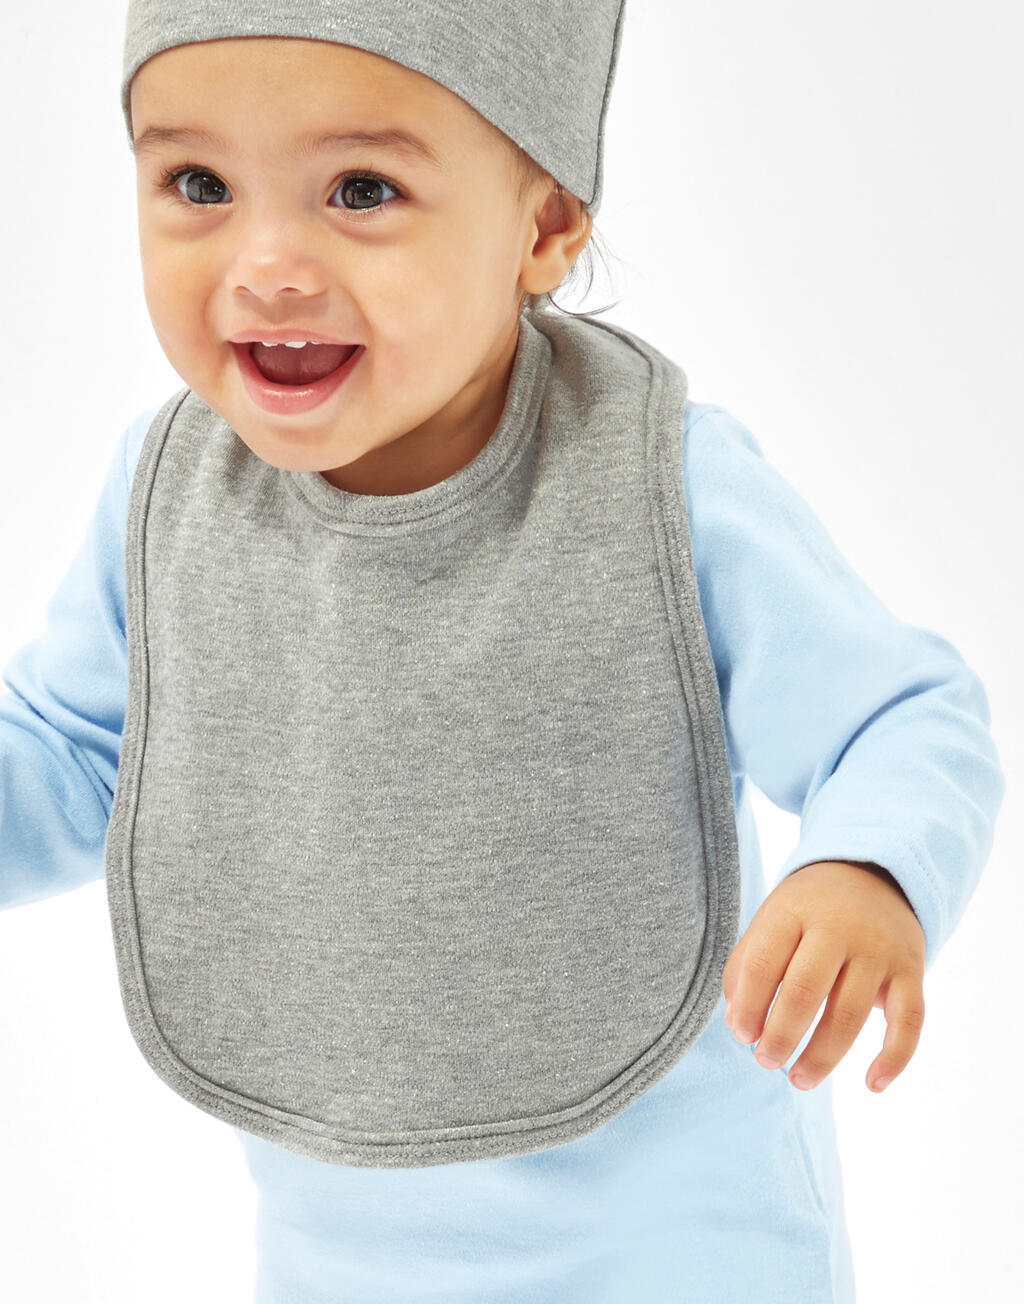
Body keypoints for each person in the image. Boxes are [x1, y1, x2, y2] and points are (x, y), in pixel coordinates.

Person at [0, 2, 1005, 1300]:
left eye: (361, 190)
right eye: (199, 184)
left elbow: (901, 715)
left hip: (677, 1247)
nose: (266, 264)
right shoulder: (172, 498)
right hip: (341, 1251)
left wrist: (867, 869)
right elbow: (79, 751)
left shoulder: (659, 486)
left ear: (544, 226)